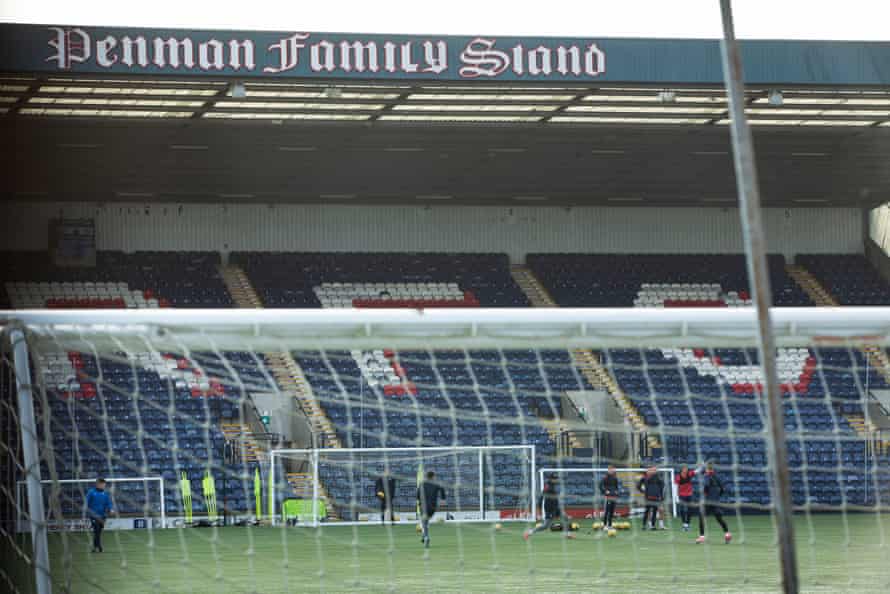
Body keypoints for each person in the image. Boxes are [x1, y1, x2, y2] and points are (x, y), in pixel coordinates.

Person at [524, 473, 575, 540]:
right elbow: (541, 498)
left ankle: (567, 534)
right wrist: (539, 512)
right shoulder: (548, 487)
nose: (556, 480)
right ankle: (529, 532)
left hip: (556, 507)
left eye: (556, 478)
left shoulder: (552, 484)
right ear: (551, 479)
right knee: (545, 526)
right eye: (555, 479)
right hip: (550, 509)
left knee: (565, 518)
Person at [696, 462, 732, 544]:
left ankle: (702, 537)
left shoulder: (707, 476)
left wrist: (705, 493)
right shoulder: (717, 476)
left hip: (708, 501)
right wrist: (718, 496)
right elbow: (723, 488)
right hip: (716, 501)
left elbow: (706, 485)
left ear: (708, 469)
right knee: (719, 519)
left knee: (701, 517)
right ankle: (727, 534)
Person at [417, 471, 445, 548]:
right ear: (433, 476)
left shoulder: (422, 484)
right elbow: (442, 489)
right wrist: (443, 499)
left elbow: (417, 495)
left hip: (423, 506)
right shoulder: (436, 483)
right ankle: (424, 536)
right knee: (425, 522)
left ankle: (426, 537)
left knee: (424, 522)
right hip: (432, 507)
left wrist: (419, 501)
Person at [85, 478, 113, 553]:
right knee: (96, 530)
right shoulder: (91, 492)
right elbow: (86, 502)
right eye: (103, 484)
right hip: (94, 515)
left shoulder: (105, 493)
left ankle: (94, 547)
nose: (104, 486)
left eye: (104, 485)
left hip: (103, 515)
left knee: (99, 532)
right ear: (98, 484)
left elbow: (109, 503)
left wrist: (111, 509)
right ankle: (99, 547)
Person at [636, 466, 664, 531]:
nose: (653, 471)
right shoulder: (644, 478)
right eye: (651, 470)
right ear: (648, 471)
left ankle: (653, 526)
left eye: (655, 470)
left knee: (654, 512)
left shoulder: (658, 478)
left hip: (656, 497)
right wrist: (643, 491)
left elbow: (661, 487)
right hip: (648, 497)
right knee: (647, 511)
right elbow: (638, 486)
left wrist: (661, 496)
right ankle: (644, 525)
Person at [675, 464, 697, 531]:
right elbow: (675, 486)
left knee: (690, 509)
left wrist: (702, 465)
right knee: (682, 510)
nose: (686, 469)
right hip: (681, 495)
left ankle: (688, 524)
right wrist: (676, 496)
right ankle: (684, 524)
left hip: (689, 495)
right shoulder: (678, 477)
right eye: (684, 468)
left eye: (686, 468)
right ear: (682, 469)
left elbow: (697, 471)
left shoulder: (689, 474)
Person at [599, 465, 620, 530]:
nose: (612, 471)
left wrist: (617, 492)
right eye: (611, 470)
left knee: (611, 512)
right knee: (606, 512)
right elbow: (600, 486)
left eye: (613, 470)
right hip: (608, 497)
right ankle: (605, 525)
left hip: (614, 496)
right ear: (608, 470)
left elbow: (616, 487)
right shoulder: (605, 477)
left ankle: (610, 525)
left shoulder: (615, 478)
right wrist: (605, 491)